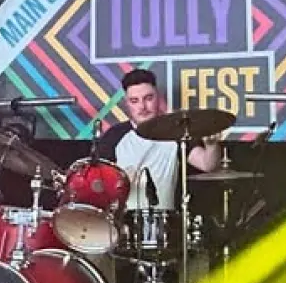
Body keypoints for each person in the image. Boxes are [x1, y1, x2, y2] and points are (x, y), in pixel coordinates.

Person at [93, 68, 220, 211]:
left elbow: (207, 165)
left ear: (158, 98)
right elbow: (96, 182)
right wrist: (118, 181)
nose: (142, 106)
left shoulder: (176, 129)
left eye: (148, 98)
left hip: (166, 222)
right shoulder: (114, 135)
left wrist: (211, 145)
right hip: (122, 223)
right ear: (126, 103)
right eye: (134, 101)